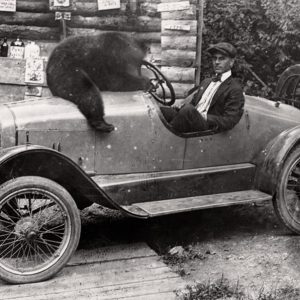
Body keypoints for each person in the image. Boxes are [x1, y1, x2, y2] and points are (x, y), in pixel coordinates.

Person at [161, 42, 245, 133]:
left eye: (221, 59)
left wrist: (203, 116)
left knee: (188, 110)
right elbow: (193, 104)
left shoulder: (234, 89)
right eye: (214, 58)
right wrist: (178, 108)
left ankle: (164, 139)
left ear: (231, 62)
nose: (217, 62)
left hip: (207, 129)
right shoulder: (206, 82)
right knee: (160, 111)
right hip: (191, 118)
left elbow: (229, 121)